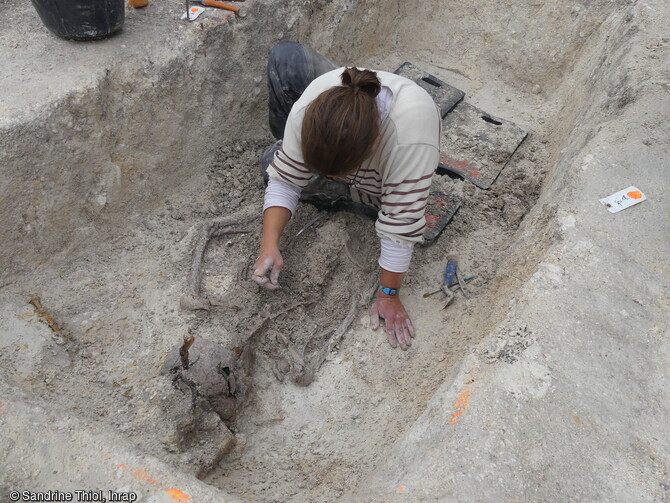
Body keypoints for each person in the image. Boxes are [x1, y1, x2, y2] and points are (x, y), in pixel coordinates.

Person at [252, 41, 441, 351]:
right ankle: (302, 154)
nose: (327, 179)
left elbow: (399, 231)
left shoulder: (409, 143)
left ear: (373, 145)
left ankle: (364, 196)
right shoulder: (313, 103)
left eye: (336, 174)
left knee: (267, 161)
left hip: (394, 164)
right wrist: (268, 245)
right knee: (286, 58)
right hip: (348, 122)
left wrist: (388, 296)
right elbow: (285, 181)